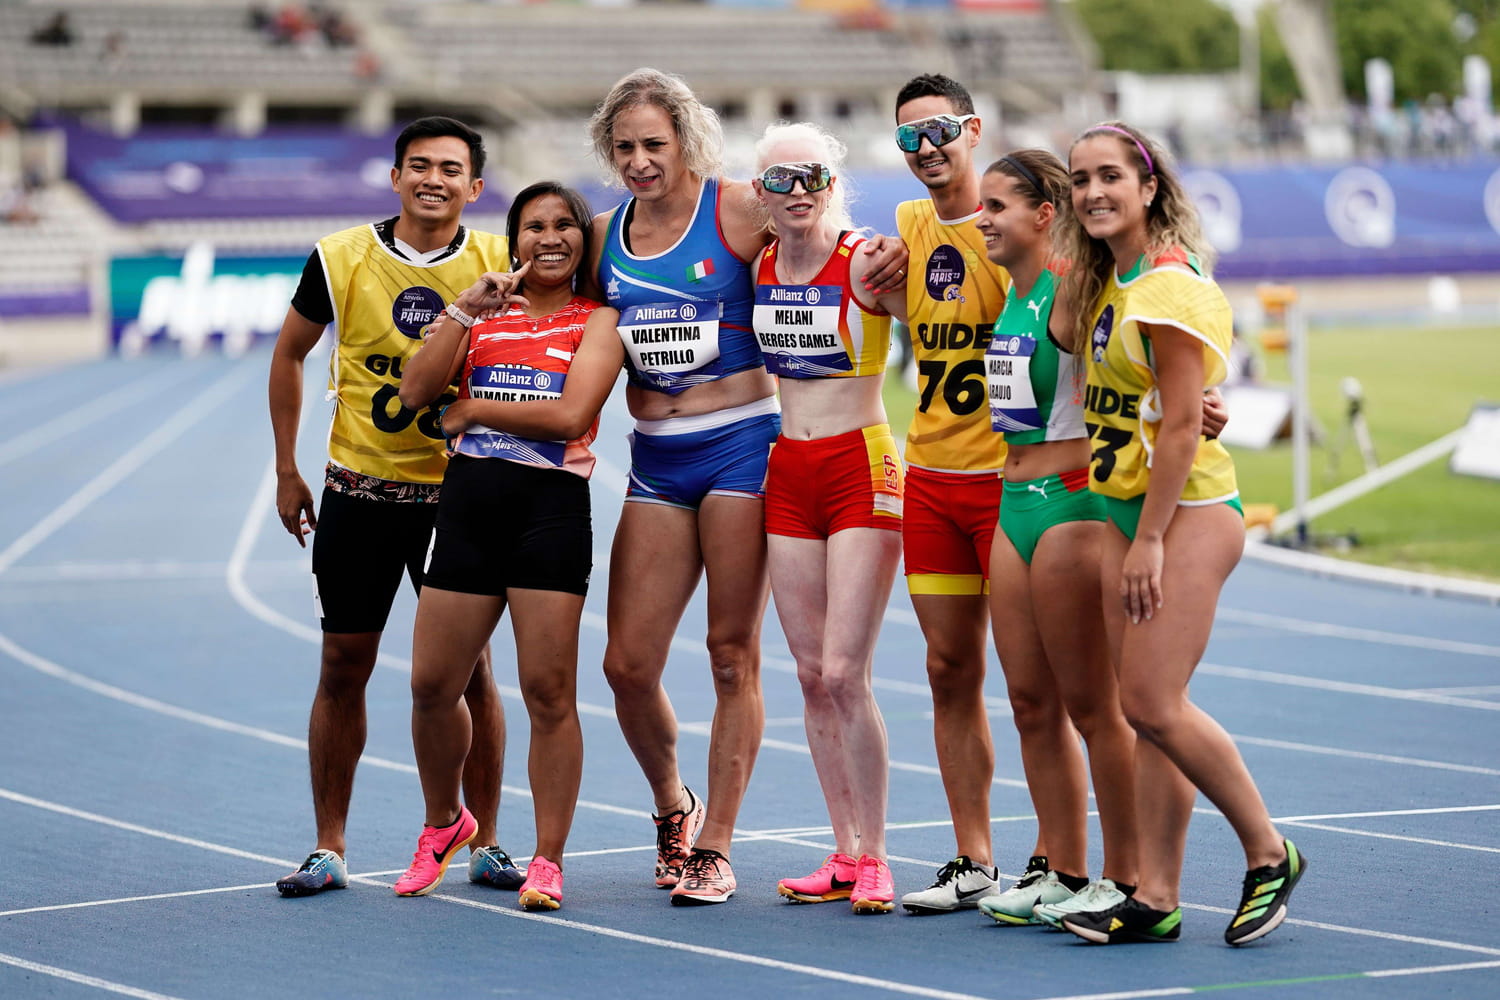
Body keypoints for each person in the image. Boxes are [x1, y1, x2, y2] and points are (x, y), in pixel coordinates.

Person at [585, 68, 905, 906]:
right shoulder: (598, 235)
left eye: (655, 143)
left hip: (744, 447)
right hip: (656, 455)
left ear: (687, 140)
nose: (641, 161)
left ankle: (716, 848)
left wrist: (885, 252)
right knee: (625, 665)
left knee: (734, 655)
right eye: (625, 147)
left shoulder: (736, 207)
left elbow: (818, 219)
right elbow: (553, 301)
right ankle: (674, 807)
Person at [1053, 121, 1306, 946]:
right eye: (1080, 178)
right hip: (1133, 508)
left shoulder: (1162, 284)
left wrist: (1151, 539)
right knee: (1155, 714)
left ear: (1149, 187)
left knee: (1151, 701)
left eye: (1110, 177)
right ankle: (1156, 895)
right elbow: (1166, 404)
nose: (1092, 191)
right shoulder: (1113, 279)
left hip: (1185, 514)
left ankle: (1269, 852)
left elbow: (1180, 436)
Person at [268, 117, 519, 898]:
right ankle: (328, 847)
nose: (433, 179)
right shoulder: (339, 256)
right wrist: (286, 468)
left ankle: (486, 841)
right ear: (395, 176)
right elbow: (289, 354)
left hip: (461, 498)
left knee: (471, 673)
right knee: (343, 665)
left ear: (475, 187)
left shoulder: (496, 262)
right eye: (418, 166)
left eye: (450, 168)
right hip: (358, 493)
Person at [393, 182, 622, 909]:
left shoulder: (600, 320)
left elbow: (570, 414)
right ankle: (444, 822)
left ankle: (547, 857)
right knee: (432, 685)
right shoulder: (482, 314)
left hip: (548, 510)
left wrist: (473, 408)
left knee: (549, 693)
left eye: (564, 226)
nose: (549, 238)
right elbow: (413, 390)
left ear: (582, 240)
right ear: (514, 239)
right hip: (468, 509)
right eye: (534, 227)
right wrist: (463, 309)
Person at [965, 151, 1141, 928]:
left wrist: (1202, 401)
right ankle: (1064, 870)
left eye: (998, 206)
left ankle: (1125, 874)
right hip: (1013, 503)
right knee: (1030, 702)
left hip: (1071, 506)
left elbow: (1144, 345)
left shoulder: (1075, 285)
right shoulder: (1013, 288)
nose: (983, 219)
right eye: (982, 206)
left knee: (1093, 707)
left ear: (1045, 215)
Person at [749, 123, 907, 914]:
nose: (798, 191)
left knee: (848, 673)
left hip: (860, 467)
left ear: (833, 178)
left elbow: (957, 332)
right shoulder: (760, 265)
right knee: (811, 677)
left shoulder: (869, 261)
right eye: (780, 180)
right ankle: (843, 850)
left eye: (811, 175)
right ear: (760, 194)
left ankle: (877, 854)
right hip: (789, 469)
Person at [888, 73, 1017, 914]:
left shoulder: (1022, 222)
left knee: (1042, 683)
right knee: (947, 670)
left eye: (939, 130)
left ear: (972, 128)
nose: (927, 148)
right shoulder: (905, 225)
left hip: (1017, 484)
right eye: (909, 138)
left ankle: (1061, 859)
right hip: (931, 478)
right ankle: (974, 857)